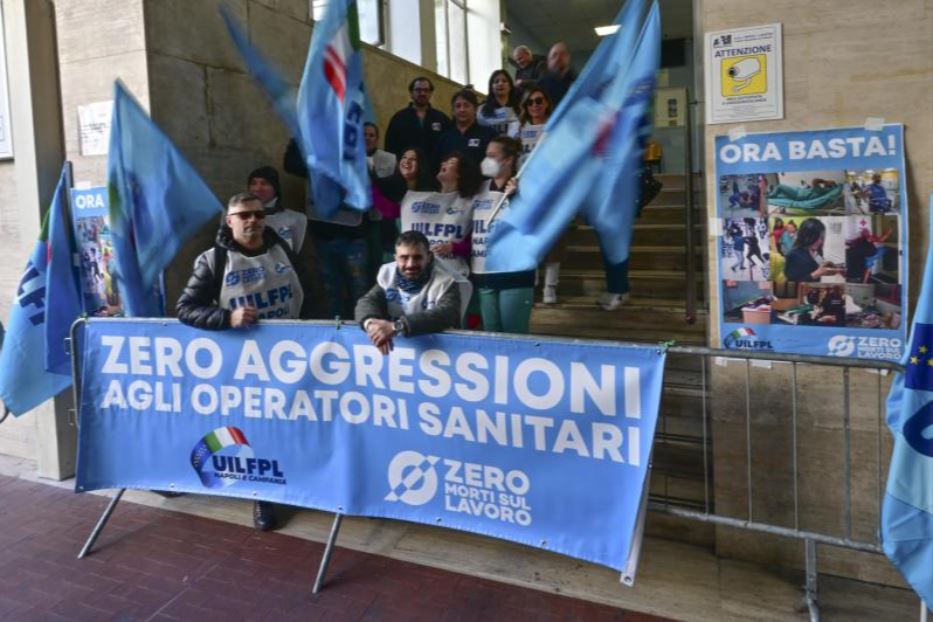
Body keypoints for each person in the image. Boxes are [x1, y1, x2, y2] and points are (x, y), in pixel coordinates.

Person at [176, 192, 315, 532]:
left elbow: (309, 294)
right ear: (230, 221)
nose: (252, 220)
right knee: (255, 431)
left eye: (257, 214)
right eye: (243, 215)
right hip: (244, 363)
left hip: (289, 355)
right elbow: (185, 309)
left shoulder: (284, 251)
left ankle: (302, 482)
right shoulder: (213, 261)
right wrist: (227, 317)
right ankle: (262, 496)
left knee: (294, 420)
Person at [355, 230, 469, 354]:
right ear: (396, 258)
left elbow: (445, 315)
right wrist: (373, 326)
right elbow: (367, 301)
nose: (410, 264)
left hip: (440, 351)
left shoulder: (446, 281)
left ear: (429, 256)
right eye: (404, 258)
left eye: (417, 257)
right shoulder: (388, 274)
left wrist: (395, 327)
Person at [471, 136, 535, 333]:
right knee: (491, 335)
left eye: (492, 156)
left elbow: (533, 225)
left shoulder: (527, 188)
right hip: (484, 276)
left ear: (507, 160)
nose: (486, 160)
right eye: (485, 155)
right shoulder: (478, 189)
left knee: (513, 337)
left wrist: (517, 197)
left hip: (514, 275)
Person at [400, 151, 481, 277]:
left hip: (452, 275)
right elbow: (391, 211)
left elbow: (477, 244)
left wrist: (454, 248)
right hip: (419, 273)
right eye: (444, 161)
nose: (444, 163)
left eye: (451, 163)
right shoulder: (422, 197)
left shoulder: (470, 203)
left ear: (460, 173)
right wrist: (367, 186)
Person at [385, 77, 452, 171]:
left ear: (431, 93)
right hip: (405, 173)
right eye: (418, 90)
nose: (422, 93)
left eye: (426, 90)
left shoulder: (442, 119)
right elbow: (390, 148)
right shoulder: (399, 118)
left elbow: (449, 147)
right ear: (411, 93)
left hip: (434, 174)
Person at [247, 166, 307, 253]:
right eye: (253, 183)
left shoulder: (296, 219)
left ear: (275, 188)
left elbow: (305, 256)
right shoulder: (236, 216)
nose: (258, 188)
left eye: (264, 183)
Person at [435, 89, 497, 166]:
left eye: (466, 105)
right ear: (453, 111)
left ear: (475, 109)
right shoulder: (445, 139)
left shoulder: (489, 135)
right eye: (458, 106)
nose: (462, 110)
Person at [783, 218, 843, 282]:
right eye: (816, 238)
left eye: (821, 238)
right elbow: (793, 283)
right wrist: (816, 274)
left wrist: (831, 269)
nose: (820, 242)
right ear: (806, 236)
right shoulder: (793, 255)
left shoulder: (816, 250)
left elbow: (817, 267)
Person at [514, 87, 552, 166]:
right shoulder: (519, 128)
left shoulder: (555, 128)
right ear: (526, 107)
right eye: (530, 102)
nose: (534, 105)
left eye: (539, 101)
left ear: (547, 103)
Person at [477, 70, 521, 136]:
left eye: (504, 81)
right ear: (491, 87)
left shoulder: (520, 108)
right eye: (496, 81)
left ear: (511, 87)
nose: (500, 84)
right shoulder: (481, 110)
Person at [536, 41, 577, 106]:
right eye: (554, 55)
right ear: (549, 62)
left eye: (563, 54)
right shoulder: (540, 85)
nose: (558, 58)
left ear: (569, 57)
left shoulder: (578, 82)